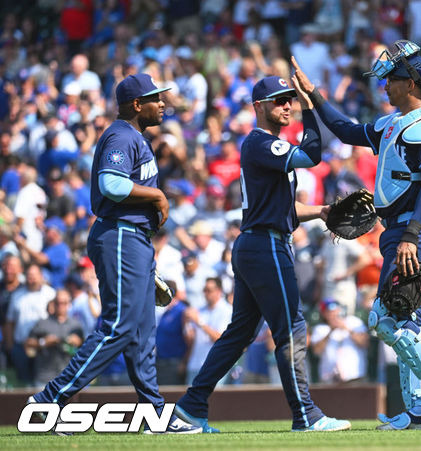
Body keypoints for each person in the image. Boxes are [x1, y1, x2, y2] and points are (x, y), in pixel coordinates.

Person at [292, 40, 421, 431]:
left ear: (410, 82)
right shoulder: (393, 122)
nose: (384, 87)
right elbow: (344, 130)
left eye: (390, 80)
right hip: (397, 231)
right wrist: (314, 95)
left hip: (417, 231)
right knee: (409, 322)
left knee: (385, 319)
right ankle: (417, 409)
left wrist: (411, 234)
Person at [173, 75, 351, 433]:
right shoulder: (259, 143)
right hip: (266, 245)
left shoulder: (269, 148)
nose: (286, 105)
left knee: (239, 333)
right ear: (259, 107)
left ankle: (191, 407)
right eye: (278, 100)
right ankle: (306, 415)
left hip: (257, 241)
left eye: (289, 99)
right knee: (291, 328)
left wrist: (320, 211)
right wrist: (311, 106)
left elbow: (280, 208)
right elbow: (313, 156)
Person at [28, 73, 200, 434]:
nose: (163, 103)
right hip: (120, 234)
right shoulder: (121, 135)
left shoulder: (137, 137)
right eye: (156, 98)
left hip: (133, 239)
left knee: (140, 333)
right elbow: (111, 183)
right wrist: (157, 196)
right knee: (119, 326)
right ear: (137, 104)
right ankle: (48, 401)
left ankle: (153, 415)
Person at [25, 289, 84, 387]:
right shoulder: (43, 323)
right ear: (53, 303)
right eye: (58, 303)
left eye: (64, 303)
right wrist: (43, 342)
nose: (61, 306)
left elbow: (85, 348)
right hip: (45, 375)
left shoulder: (76, 325)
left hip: (68, 376)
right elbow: (28, 344)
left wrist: (78, 341)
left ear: (69, 304)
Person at [310, 298, 369, 383]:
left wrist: (346, 328)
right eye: (329, 311)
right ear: (324, 314)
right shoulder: (320, 329)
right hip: (329, 378)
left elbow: (364, 343)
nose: (334, 313)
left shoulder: (353, 321)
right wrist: (331, 330)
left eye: (336, 310)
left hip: (355, 377)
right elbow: (316, 350)